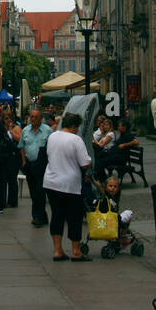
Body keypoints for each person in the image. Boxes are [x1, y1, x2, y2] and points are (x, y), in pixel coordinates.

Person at [43, 112, 92, 262]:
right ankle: (76, 251)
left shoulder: (52, 136)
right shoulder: (76, 139)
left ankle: (57, 250)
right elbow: (85, 163)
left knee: (57, 216)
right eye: (76, 127)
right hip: (70, 184)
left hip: (51, 182)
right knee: (74, 218)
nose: (77, 130)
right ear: (73, 126)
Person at [18, 107, 52, 226]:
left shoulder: (47, 130)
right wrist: (23, 161)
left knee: (40, 191)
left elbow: (53, 147)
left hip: (42, 164)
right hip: (29, 164)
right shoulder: (26, 130)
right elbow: (21, 146)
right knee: (33, 192)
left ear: (41, 119)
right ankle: (43, 216)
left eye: (36, 117)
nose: (33, 119)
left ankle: (37, 217)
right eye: (31, 116)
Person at [1, 110, 22, 208]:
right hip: (4, 156)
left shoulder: (16, 128)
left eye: (9, 118)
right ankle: (3, 201)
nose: (8, 120)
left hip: (14, 157)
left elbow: (20, 139)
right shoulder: (1, 128)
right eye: (6, 118)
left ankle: (12, 201)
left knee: (12, 179)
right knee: (3, 179)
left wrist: (11, 131)